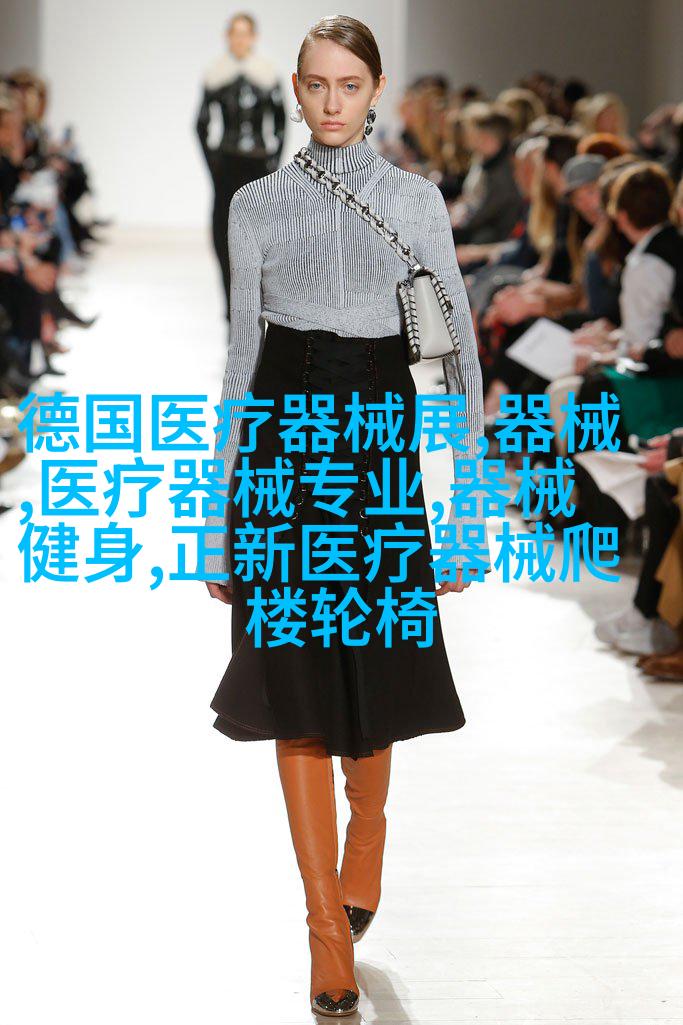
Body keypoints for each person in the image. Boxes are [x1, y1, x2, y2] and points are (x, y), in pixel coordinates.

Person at [200, 15, 490, 1018]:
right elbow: (240, 359)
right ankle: (324, 925)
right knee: (291, 676)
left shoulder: (415, 200)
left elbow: (457, 357)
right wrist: (217, 511)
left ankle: (366, 831)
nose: (331, 102)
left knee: (370, 656)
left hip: (377, 443)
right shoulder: (254, 204)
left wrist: (469, 507)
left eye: (349, 85)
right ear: (294, 88)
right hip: (282, 449)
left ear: (374, 90)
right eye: (315, 85)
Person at [195, 11, 285, 321]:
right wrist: (213, 165)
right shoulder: (216, 74)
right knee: (223, 234)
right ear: (228, 37)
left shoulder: (267, 74)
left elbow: (280, 123)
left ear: (253, 37)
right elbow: (201, 124)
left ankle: (259, 305)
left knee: (262, 236)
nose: (240, 39)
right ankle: (229, 306)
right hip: (228, 164)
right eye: (235, 33)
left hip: (258, 165)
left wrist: (273, 164)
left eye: (245, 33)